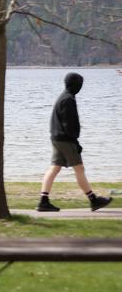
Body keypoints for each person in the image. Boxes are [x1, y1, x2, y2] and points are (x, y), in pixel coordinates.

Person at [36, 72, 112, 212]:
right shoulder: (68, 99)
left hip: (56, 137)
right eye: (79, 84)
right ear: (75, 85)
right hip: (65, 139)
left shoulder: (63, 97)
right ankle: (93, 200)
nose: (80, 87)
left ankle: (43, 201)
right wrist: (75, 142)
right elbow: (69, 124)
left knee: (54, 168)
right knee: (79, 169)